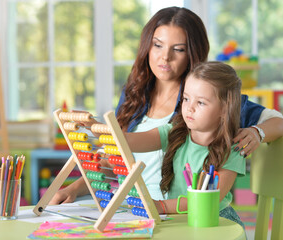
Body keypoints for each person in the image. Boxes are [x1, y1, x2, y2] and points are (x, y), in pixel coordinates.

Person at [49, 6, 283, 204]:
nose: (165, 57)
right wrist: (74, 189)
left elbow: (278, 122)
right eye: (157, 45)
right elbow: (117, 154)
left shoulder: (208, 99)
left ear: (192, 53)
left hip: (178, 212)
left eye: (178, 49)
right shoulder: (134, 95)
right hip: (132, 209)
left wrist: (257, 132)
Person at [125, 61, 246, 227]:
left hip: (214, 221)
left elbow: (210, 199)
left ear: (225, 109)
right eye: (186, 99)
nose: (190, 108)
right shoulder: (175, 133)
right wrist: (98, 132)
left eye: (201, 102)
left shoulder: (233, 149)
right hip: (178, 219)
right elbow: (130, 141)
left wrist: (161, 206)